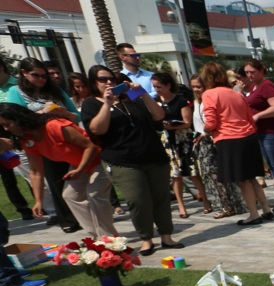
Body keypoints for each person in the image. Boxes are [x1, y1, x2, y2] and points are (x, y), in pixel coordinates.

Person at [81, 65, 181, 253]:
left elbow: (159, 116)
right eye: (103, 79)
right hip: (123, 161)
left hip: (153, 156)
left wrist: (142, 93)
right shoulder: (91, 104)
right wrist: (108, 103)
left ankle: (166, 236)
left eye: (112, 79)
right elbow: (97, 129)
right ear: (94, 83)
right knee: (138, 200)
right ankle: (146, 239)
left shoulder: (131, 98)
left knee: (161, 198)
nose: (109, 82)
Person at [0, 103, 118, 238]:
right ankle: (97, 237)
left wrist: (80, 170)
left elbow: (90, 147)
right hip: (79, 165)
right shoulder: (27, 139)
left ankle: (110, 238)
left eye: (7, 124)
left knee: (95, 195)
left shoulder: (53, 125)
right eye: (3, 126)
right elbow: (35, 171)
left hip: (100, 159)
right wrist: (39, 201)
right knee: (70, 196)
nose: (6, 129)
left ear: (18, 118)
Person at [7, 57, 83, 233]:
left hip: (68, 138)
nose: (41, 79)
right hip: (43, 143)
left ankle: (86, 213)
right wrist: (43, 113)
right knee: (56, 181)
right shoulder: (16, 91)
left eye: (44, 76)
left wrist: (64, 113)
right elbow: (17, 118)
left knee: (78, 178)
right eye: (36, 75)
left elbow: (76, 115)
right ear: (23, 73)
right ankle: (68, 219)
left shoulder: (54, 90)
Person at [197, 61, 270, 226]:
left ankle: (253, 214)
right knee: (252, 177)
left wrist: (205, 131)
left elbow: (211, 121)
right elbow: (249, 117)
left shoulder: (209, 94)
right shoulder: (236, 93)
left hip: (229, 139)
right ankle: (266, 209)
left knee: (243, 180)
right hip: (248, 137)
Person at [152, 72, 208, 217]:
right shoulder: (155, 101)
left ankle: (206, 201)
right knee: (175, 175)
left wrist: (173, 126)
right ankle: (181, 206)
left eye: (159, 86)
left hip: (183, 138)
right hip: (168, 140)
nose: (157, 89)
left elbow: (187, 122)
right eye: (154, 86)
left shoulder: (180, 100)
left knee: (193, 172)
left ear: (168, 85)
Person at [190, 73, 246, 219]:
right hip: (203, 141)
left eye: (199, 86)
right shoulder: (197, 102)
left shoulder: (211, 99)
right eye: (194, 87)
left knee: (228, 173)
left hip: (215, 138)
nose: (196, 89)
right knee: (211, 175)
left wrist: (205, 133)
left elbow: (215, 121)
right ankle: (225, 205)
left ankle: (238, 203)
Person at [243, 59, 274, 212]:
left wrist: (258, 116)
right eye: (247, 73)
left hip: (273, 132)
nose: (250, 75)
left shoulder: (267, 86)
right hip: (262, 132)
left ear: (261, 71)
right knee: (272, 167)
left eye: (253, 72)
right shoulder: (253, 87)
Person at [0, 61, 34, 221]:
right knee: (7, 175)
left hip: (18, 131)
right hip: (1, 134)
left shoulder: (17, 85)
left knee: (30, 167)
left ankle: (42, 203)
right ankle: (23, 209)